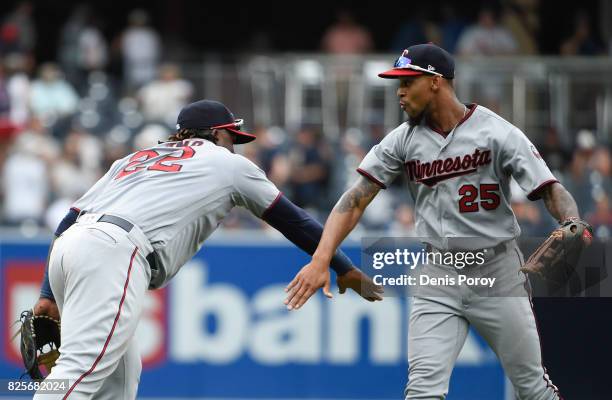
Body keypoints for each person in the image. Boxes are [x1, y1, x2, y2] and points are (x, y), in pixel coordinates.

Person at [284, 44, 581, 399]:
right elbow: (355, 198)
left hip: (497, 269)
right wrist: (321, 258)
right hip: (438, 271)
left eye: (408, 82)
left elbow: (550, 189)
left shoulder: (497, 132)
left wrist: (572, 220)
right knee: (422, 392)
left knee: (533, 389)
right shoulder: (403, 139)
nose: (400, 91)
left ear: (436, 81)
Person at [32, 99, 382, 399]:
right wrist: (343, 267)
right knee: (81, 368)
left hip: (72, 244)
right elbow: (294, 221)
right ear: (217, 134)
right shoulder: (225, 163)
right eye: (233, 137)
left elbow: (69, 218)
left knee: (119, 375)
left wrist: (48, 291)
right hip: (114, 252)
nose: (235, 146)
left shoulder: (133, 159)